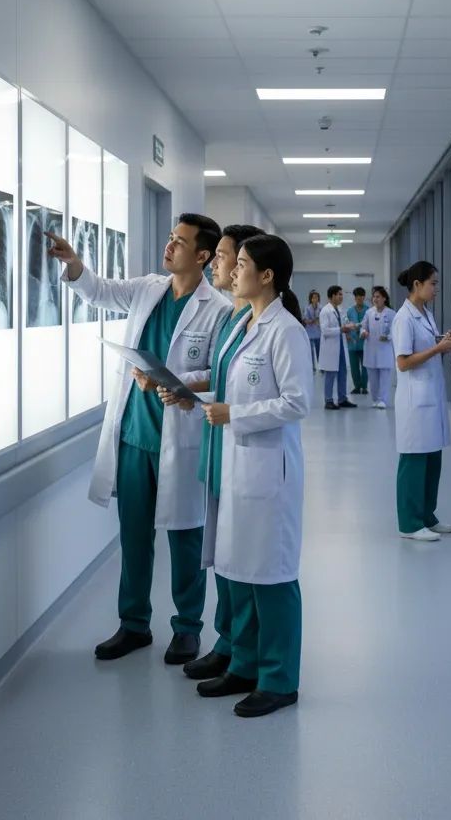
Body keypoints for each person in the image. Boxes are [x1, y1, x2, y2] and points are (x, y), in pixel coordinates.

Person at [47, 214, 231, 664]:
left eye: (180, 242)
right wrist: (74, 264)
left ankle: (187, 628)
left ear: (203, 256)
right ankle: (133, 625)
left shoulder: (219, 308)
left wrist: (172, 380)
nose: (169, 246)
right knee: (133, 537)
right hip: (134, 436)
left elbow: (218, 374)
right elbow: (100, 291)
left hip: (180, 440)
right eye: (170, 238)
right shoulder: (149, 288)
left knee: (186, 538)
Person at [199, 235, 313, 717]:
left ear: (266, 276)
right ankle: (244, 666)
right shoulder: (243, 324)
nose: (232, 270)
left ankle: (280, 679)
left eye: (241, 263)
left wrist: (235, 413)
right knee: (239, 569)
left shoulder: (285, 331)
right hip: (238, 463)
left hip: (268, 471)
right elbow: (219, 379)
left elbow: (297, 402)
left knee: (271, 575)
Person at [156, 223, 264, 682]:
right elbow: (221, 377)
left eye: (225, 257)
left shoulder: (263, 323)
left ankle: (242, 650)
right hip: (218, 447)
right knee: (221, 554)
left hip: (248, 453)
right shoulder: (237, 320)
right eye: (218, 255)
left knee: (243, 559)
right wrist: (186, 391)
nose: (217, 264)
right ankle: (227, 642)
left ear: (249, 266)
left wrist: (206, 398)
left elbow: (287, 399)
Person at [392, 261, 451, 541]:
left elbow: (429, 349)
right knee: (414, 462)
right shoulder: (404, 318)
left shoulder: (425, 314)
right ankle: (409, 523)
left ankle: (427, 516)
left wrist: (450, 344)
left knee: (433, 459)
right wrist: (439, 347)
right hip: (414, 401)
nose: (436, 289)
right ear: (417, 285)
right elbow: (403, 362)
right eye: (433, 283)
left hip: (431, 397)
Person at [319, 285, 357, 410]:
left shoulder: (339, 310)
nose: (341, 297)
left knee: (343, 372)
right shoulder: (325, 311)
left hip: (340, 345)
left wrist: (349, 329)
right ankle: (328, 400)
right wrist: (341, 329)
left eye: (341, 294)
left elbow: (343, 324)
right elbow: (325, 331)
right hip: (331, 347)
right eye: (339, 294)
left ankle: (342, 399)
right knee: (330, 374)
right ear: (332, 296)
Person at [361, 285, 395, 409]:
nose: (375, 299)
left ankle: (383, 400)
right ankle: (375, 399)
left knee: (384, 378)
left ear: (384, 298)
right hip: (371, 349)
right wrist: (363, 332)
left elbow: (395, 331)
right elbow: (363, 326)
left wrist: (389, 337)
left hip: (385, 350)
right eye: (374, 297)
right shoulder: (369, 312)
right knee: (373, 378)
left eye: (378, 297)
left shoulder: (391, 313)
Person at [345, 286, 369, 396]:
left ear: (364, 297)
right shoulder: (349, 311)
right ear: (354, 298)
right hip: (352, 343)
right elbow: (345, 325)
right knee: (354, 367)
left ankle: (364, 387)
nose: (359, 300)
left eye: (361, 297)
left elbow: (370, 326)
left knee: (365, 367)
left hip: (364, 342)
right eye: (357, 298)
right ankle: (356, 386)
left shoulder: (369, 310)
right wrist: (347, 334)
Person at [303, 291, 322, 371]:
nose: (315, 299)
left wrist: (313, 321)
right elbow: (305, 320)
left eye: (316, 297)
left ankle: (321, 367)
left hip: (318, 333)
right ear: (311, 299)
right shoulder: (307, 308)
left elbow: (321, 319)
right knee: (310, 352)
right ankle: (312, 367)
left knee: (319, 351)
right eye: (313, 297)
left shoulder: (321, 308)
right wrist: (314, 320)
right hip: (309, 333)